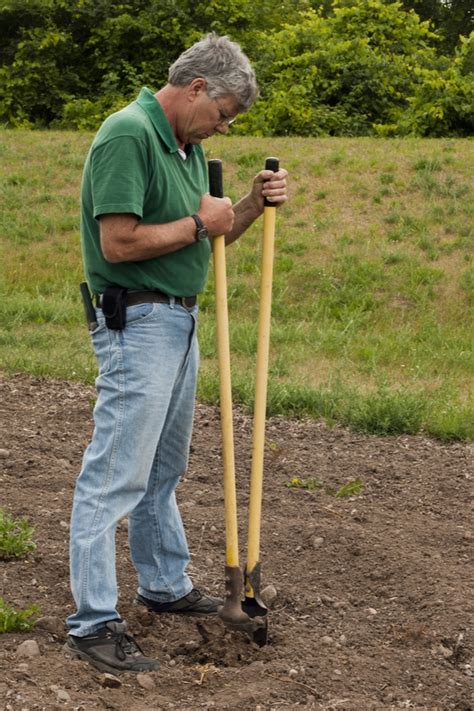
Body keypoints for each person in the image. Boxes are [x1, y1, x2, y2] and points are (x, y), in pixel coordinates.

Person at [64, 32, 288, 675]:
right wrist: (199, 224)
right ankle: (93, 620)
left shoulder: (185, 145)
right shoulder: (127, 135)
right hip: (135, 321)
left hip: (179, 322)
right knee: (115, 477)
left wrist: (247, 205)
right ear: (196, 89)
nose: (223, 126)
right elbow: (120, 243)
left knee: (164, 471)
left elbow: (204, 240)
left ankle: (163, 586)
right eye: (223, 114)